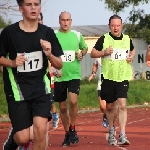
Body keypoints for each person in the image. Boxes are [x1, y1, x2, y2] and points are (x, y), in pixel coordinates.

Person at [0, 0, 63, 150]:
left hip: (41, 89)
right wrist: (13, 63)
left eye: (36, 4)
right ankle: (12, 141)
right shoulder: (9, 32)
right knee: (24, 138)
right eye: (29, 4)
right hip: (17, 91)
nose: (33, 8)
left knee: (40, 132)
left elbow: (59, 64)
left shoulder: (47, 32)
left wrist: (49, 54)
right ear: (21, 8)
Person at [91, 14, 135, 146]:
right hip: (108, 77)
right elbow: (93, 53)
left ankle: (122, 134)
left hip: (123, 77)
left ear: (121, 26)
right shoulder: (104, 38)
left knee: (122, 104)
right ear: (109, 26)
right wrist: (104, 52)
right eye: (113, 25)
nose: (116, 28)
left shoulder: (127, 39)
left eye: (118, 25)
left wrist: (131, 57)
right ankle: (111, 130)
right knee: (110, 107)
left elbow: (132, 50)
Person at [54, 11, 88, 147]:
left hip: (74, 74)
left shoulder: (77, 35)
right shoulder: (54, 36)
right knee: (62, 107)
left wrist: (81, 54)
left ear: (71, 21)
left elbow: (84, 49)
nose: (65, 22)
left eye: (68, 20)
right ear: (59, 21)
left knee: (73, 102)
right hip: (59, 75)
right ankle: (67, 133)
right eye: (63, 20)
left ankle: (72, 128)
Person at [89, 58, 109, 128]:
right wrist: (93, 73)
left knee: (110, 106)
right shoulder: (98, 55)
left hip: (112, 82)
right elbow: (95, 64)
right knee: (103, 107)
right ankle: (105, 115)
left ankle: (110, 122)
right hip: (101, 83)